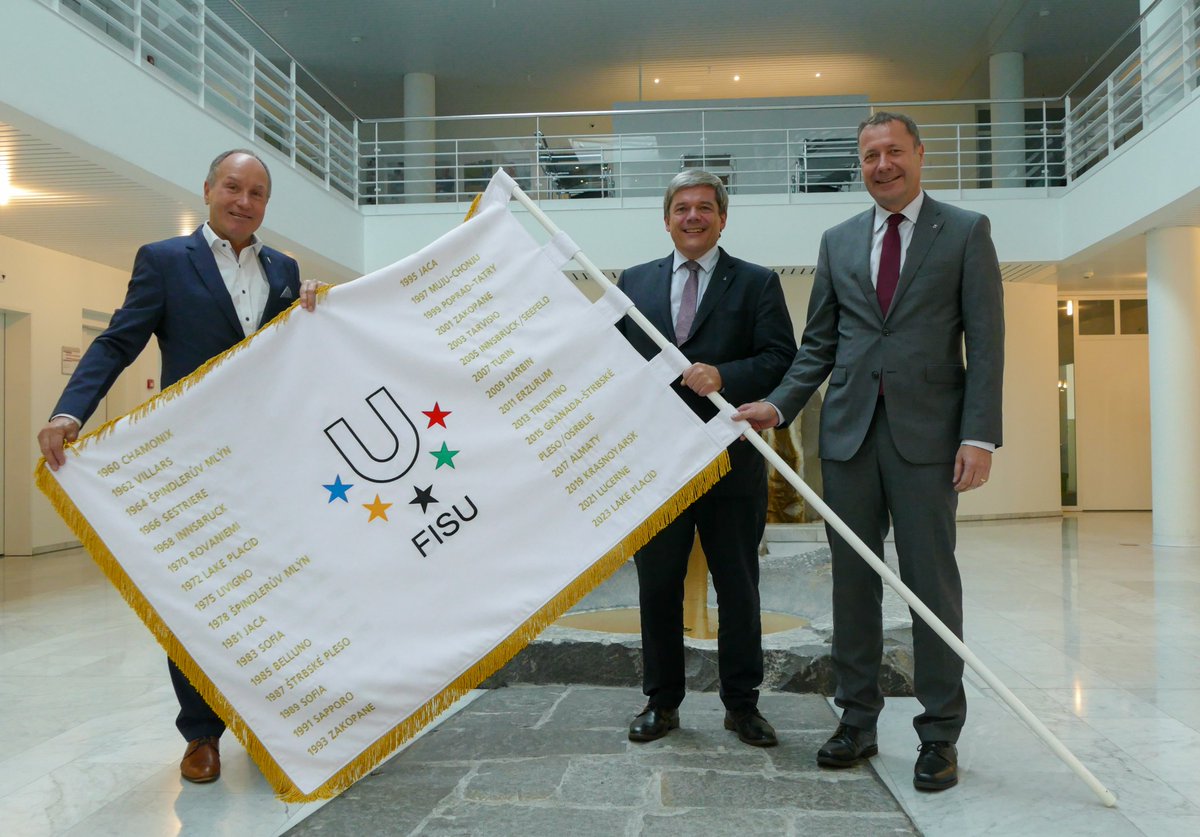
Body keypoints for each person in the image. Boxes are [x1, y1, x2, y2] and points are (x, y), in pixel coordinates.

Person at [735, 112, 1004, 791]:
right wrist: (778, 403)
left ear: (919, 152)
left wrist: (979, 435)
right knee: (852, 583)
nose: (882, 164)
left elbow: (987, 343)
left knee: (930, 586)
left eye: (893, 151)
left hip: (928, 441)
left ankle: (939, 733)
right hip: (848, 435)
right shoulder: (838, 239)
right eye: (869, 155)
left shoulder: (966, 232)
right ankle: (856, 718)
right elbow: (819, 344)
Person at [38, 148, 323, 784]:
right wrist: (69, 414)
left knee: (273, 594)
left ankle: (273, 722)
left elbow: (292, 356)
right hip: (191, 464)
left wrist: (310, 308)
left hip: (268, 466)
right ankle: (201, 735)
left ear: (265, 205)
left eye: (256, 193)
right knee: (193, 599)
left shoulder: (285, 268)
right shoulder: (165, 261)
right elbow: (119, 339)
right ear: (208, 189)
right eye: (232, 187)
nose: (242, 201)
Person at [617, 169, 796, 747]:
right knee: (657, 587)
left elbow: (780, 357)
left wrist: (726, 375)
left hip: (731, 462)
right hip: (659, 465)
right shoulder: (634, 281)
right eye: (681, 208)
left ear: (722, 218)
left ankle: (742, 706)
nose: (692, 217)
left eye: (703, 208)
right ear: (666, 218)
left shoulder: (757, 282)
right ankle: (661, 704)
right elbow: (614, 360)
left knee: (738, 586)